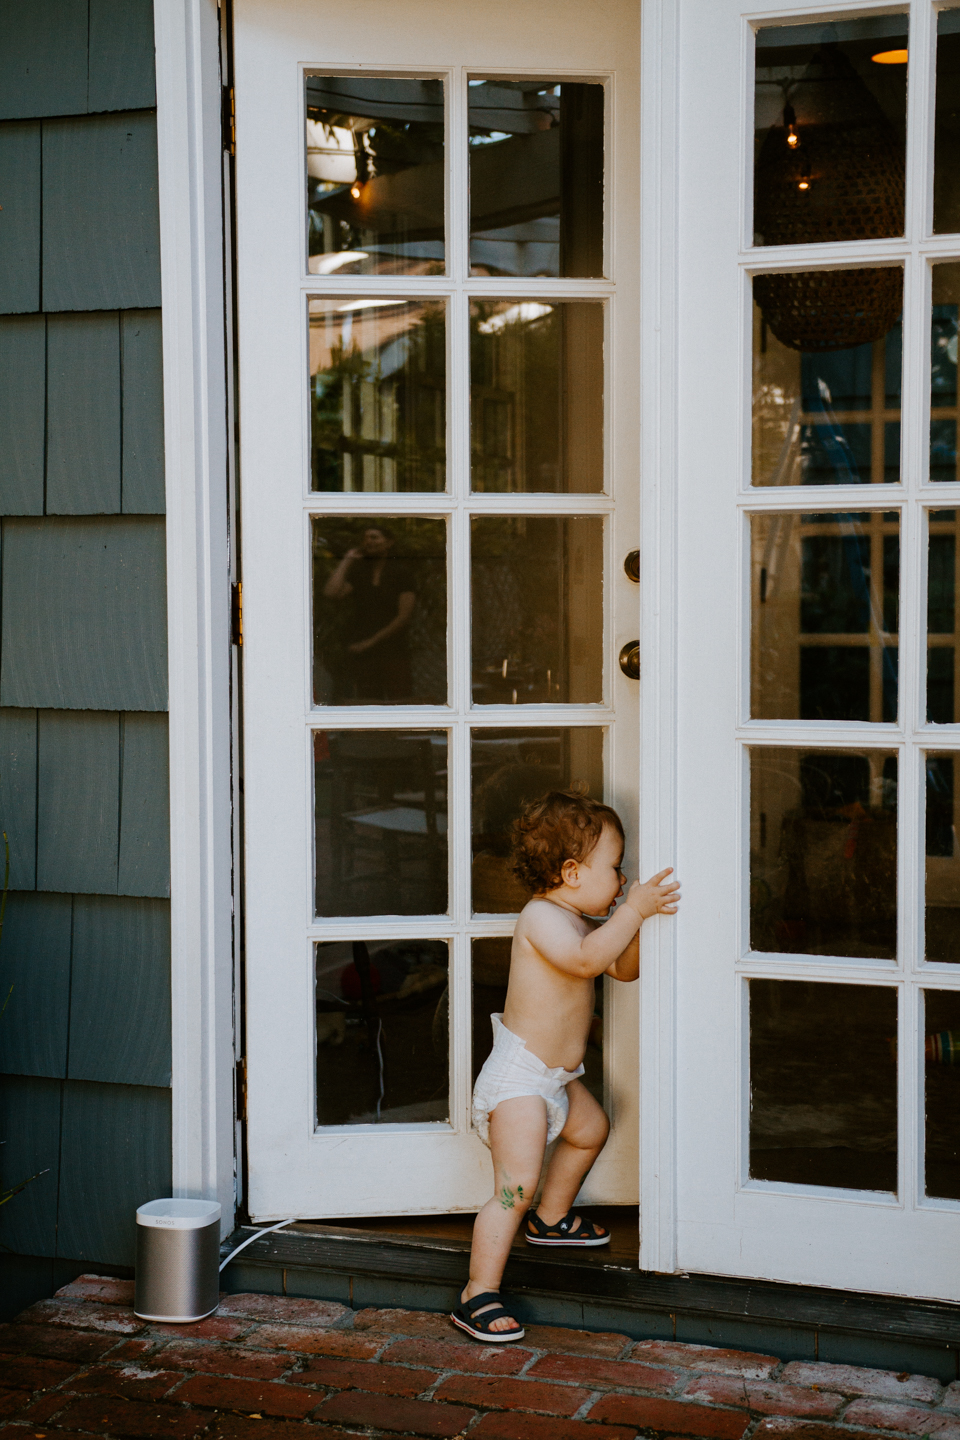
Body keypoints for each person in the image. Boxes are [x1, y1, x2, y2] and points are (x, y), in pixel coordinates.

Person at [451, 790, 681, 1343]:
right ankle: (477, 1290)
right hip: (520, 1081)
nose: (623, 879)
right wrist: (633, 911)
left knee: (591, 1130)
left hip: (554, 1079)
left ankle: (551, 1220)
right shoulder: (541, 918)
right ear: (573, 872)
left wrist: (639, 923)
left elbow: (620, 969)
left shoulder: (581, 919)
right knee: (514, 1186)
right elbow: (585, 962)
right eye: (615, 867)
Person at [323, 526, 416, 701]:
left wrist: (369, 643)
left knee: (400, 700)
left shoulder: (401, 573)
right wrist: (347, 560)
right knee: (368, 701)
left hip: (393, 648)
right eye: (366, 538)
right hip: (364, 651)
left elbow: (403, 617)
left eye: (374, 537)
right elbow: (331, 592)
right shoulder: (360, 572)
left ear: (389, 543)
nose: (369, 541)